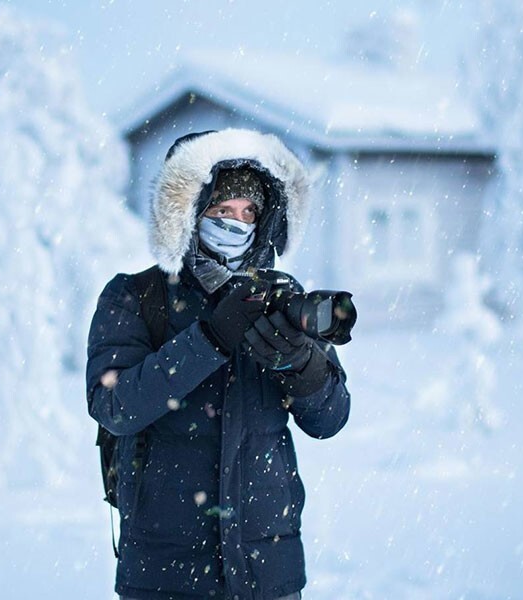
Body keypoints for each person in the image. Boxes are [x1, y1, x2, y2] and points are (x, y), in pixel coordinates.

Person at [86, 128, 351, 600]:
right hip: (165, 572)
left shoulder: (278, 295)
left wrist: (299, 362)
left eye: (249, 212)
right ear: (190, 212)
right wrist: (210, 338)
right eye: (222, 210)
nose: (236, 223)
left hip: (268, 568)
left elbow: (330, 418)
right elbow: (115, 406)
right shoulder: (134, 296)